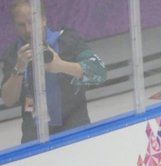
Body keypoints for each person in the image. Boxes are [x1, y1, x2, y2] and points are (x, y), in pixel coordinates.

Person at [1, 0, 106, 143]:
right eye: (21, 25)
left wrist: (60, 65)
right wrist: (19, 68)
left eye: (31, 22)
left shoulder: (67, 39)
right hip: (34, 132)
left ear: (43, 20)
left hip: (74, 125)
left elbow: (100, 73)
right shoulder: (13, 54)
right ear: (14, 26)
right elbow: (8, 100)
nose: (28, 30)